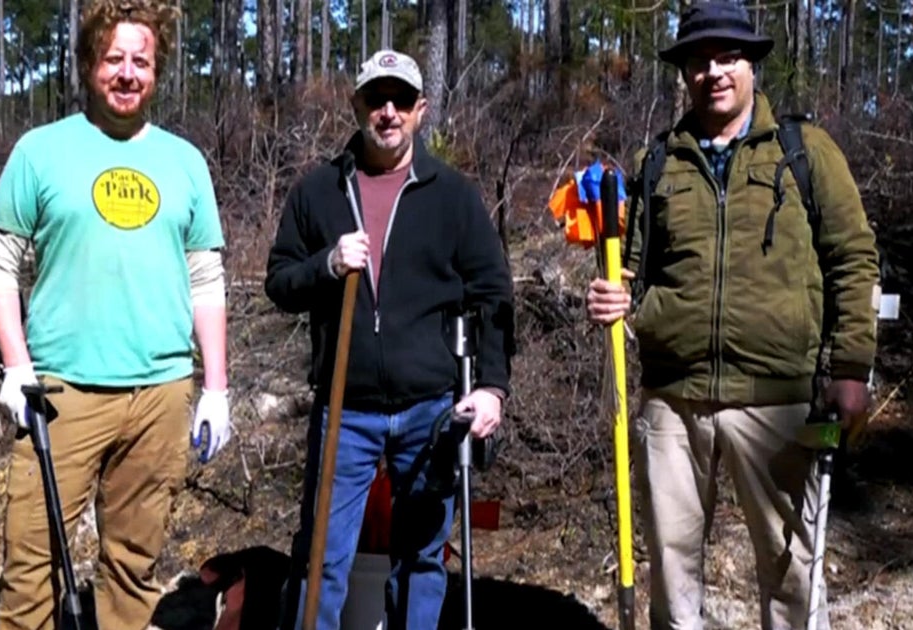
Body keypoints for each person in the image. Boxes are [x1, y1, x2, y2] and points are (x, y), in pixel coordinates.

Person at [585, 2, 879, 629]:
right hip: (672, 398)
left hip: (776, 399)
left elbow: (853, 258)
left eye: (728, 57)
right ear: (684, 72)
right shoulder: (658, 161)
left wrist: (852, 368)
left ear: (751, 66)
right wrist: (616, 301)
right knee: (669, 569)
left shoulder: (806, 151)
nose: (714, 71)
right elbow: (633, 272)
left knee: (792, 571)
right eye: (699, 60)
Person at [0, 1, 231, 628]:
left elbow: (206, 279)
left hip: (160, 395)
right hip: (60, 393)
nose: (126, 73)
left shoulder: (185, 162)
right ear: (90, 63)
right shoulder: (42, 151)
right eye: (113, 58)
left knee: (133, 563)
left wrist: (217, 389)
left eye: (140, 61)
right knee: (31, 562)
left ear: (157, 69)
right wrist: (16, 366)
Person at [265, 49, 515, 630]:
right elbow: (279, 282)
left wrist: (493, 389)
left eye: (400, 100)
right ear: (356, 106)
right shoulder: (318, 192)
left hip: (431, 408)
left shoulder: (452, 195)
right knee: (321, 557)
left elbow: (494, 294)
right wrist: (325, 265)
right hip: (344, 409)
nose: (387, 112)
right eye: (375, 99)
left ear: (420, 110)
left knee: (423, 557)